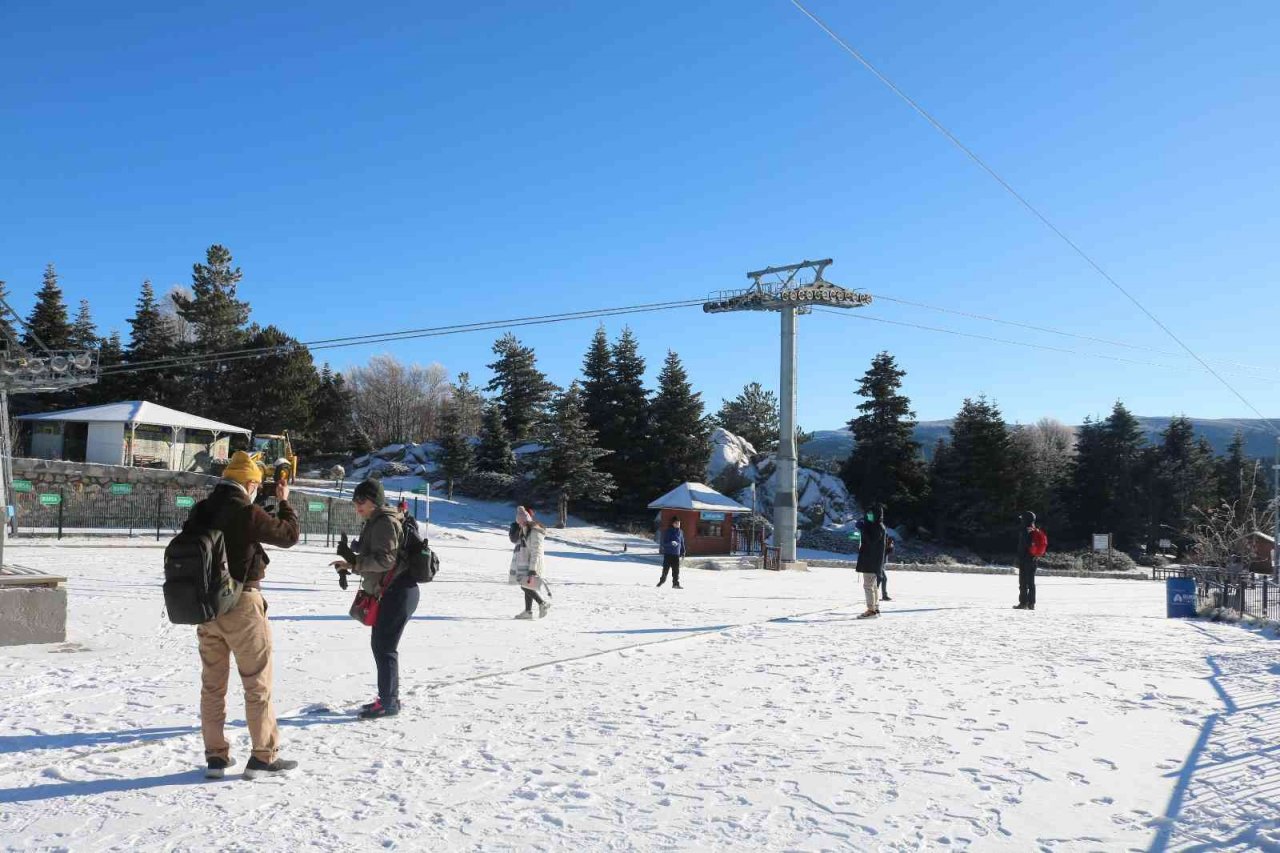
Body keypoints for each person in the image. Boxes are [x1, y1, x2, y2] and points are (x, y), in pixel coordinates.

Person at [192, 450, 301, 780]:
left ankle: (215, 756)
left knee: (213, 685)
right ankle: (263, 756)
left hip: (207, 606)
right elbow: (289, 535)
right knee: (257, 683)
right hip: (242, 604)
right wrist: (284, 502)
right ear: (251, 483)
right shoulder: (247, 511)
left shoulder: (202, 509)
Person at [331, 478, 417, 719]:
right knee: (381, 645)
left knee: (384, 647)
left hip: (398, 591)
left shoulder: (384, 522)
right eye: (355, 500)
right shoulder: (376, 521)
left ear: (374, 501)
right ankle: (388, 699)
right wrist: (352, 558)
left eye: (362, 500)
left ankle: (388, 703)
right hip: (392, 591)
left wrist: (354, 562)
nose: (357, 505)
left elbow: (386, 561)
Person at [510, 506, 551, 619]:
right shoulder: (525, 529)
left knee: (526, 586)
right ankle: (528, 612)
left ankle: (542, 603)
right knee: (527, 586)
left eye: (521, 522)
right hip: (526, 562)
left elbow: (536, 551)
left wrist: (533, 568)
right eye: (519, 523)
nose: (520, 525)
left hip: (534, 563)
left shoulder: (535, 531)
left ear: (527, 520)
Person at [856, 505, 887, 619]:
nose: (868, 516)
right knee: (873, 585)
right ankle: (875, 608)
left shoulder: (878, 527)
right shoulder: (874, 526)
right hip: (871, 560)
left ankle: (871, 610)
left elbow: (871, 541)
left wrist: (863, 528)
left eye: (870, 514)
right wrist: (864, 526)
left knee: (868, 586)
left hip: (871, 561)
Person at [1014, 511, 1039, 611]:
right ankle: (1031, 604)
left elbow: (1024, 546)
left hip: (1025, 559)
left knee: (1023, 582)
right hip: (1033, 559)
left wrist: (1019, 558)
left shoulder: (1025, 530)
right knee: (1031, 582)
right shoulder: (1035, 529)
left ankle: (1023, 603)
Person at [657, 516, 686, 589]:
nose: (678, 524)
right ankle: (662, 581)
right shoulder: (668, 531)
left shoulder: (681, 532)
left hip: (676, 554)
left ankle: (675, 584)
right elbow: (664, 543)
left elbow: (682, 543)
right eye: (676, 523)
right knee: (665, 569)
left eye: (679, 523)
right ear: (673, 524)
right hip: (668, 554)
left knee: (676, 571)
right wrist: (671, 543)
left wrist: (683, 552)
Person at [879, 535, 895, 601]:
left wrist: (891, 546)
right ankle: (883, 596)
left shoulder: (886, 546)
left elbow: (890, 552)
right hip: (877, 564)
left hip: (881, 564)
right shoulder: (880, 545)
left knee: (880, 580)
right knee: (883, 579)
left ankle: (881, 595)